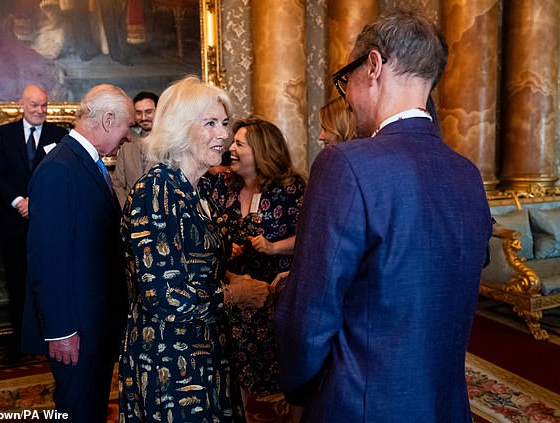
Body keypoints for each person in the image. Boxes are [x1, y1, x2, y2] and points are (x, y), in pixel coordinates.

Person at [274, 11, 493, 422]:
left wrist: (299, 392)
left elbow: (307, 318)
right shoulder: (467, 173)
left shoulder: (345, 164)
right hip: (445, 406)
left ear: (372, 66)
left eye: (346, 81)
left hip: (359, 405)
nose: (347, 97)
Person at [118, 76, 268, 422]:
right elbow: (165, 296)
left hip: (207, 351)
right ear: (181, 129)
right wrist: (237, 294)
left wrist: (229, 275)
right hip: (171, 362)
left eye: (225, 123)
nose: (224, 136)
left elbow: (197, 265)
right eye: (211, 124)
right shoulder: (156, 192)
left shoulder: (198, 191)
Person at [21, 84, 132, 421]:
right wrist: (60, 330)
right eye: (127, 127)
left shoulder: (84, 161)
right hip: (74, 328)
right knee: (79, 409)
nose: (128, 137)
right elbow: (47, 258)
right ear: (109, 119)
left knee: (93, 405)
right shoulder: (60, 169)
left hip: (92, 319)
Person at [201, 118, 306, 421]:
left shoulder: (290, 187)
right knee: (231, 368)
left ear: (260, 150)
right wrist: (223, 244)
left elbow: (312, 237)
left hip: (276, 294)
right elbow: (208, 229)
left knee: (288, 373)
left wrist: (275, 247)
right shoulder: (222, 183)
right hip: (234, 291)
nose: (230, 148)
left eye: (239, 144)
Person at [0, 85, 68, 361]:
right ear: (21, 105)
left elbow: (62, 176)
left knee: (48, 280)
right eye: (34, 105)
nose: (40, 111)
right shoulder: (4, 134)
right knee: (17, 281)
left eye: (44, 105)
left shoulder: (59, 135)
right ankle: (21, 344)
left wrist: (36, 204)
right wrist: (17, 201)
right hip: (15, 222)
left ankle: (52, 338)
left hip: (48, 222)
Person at [112, 91, 158, 206]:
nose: (143, 117)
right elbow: (117, 183)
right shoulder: (126, 143)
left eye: (148, 112)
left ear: (159, 111)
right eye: (138, 113)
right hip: (131, 215)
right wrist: (127, 211)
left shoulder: (171, 143)